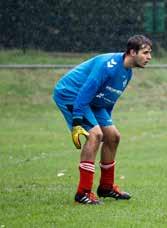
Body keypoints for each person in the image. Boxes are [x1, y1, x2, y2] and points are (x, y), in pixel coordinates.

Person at [53, 35, 152, 205]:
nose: (149, 57)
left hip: (93, 101)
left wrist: (107, 124)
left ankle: (106, 187)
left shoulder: (127, 73)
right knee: (95, 135)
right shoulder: (108, 66)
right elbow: (86, 91)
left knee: (113, 136)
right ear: (132, 52)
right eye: (145, 53)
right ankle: (82, 193)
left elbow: (108, 101)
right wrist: (77, 120)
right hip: (71, 94)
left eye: (150, 53)